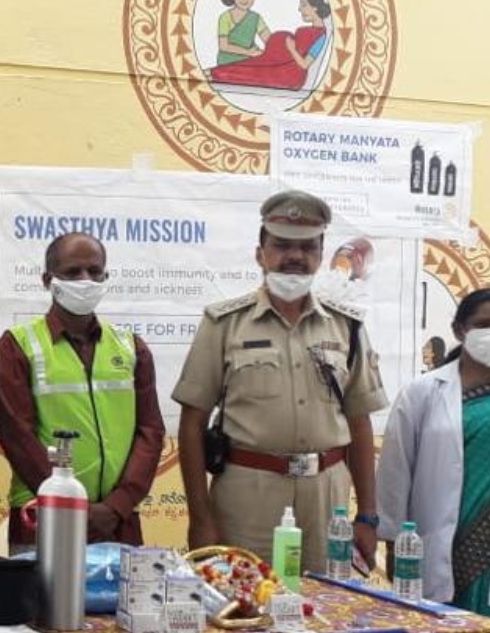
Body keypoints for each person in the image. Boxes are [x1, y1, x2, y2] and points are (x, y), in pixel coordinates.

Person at [174, 190, 385, 574]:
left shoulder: (346, 326)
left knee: (328, 602)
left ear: (320, 256)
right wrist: (200, 519)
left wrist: (368, 517)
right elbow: (192, 423)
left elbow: (359, 422)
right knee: (247, 600)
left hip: (327, 500)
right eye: (283, 245)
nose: (295, 256)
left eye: (307, 247)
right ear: (260, 254)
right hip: (247, 499)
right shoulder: (224, 324)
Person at [0, 231, 166, 546]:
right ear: (48, 280)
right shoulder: (17, 346)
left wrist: (117, 505)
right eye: (73, 272)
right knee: (43, 583)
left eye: (95, 271)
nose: (85, 280)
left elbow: (150, 432)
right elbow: (17, 437)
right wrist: (69, 503)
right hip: (44, 514)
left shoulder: (131, 347)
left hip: (117, 521)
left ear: (105, 277)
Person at [378, 289, 490, 607]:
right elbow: (395, 471)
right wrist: (393, 542)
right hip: (438, 544)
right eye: (484, 325)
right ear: (459, 330)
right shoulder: (422, 393)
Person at [210, 0, 331, 90]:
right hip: (280, 65)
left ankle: (212, 74)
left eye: (304, 4)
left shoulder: (320, 36)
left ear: (315, 7)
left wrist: (291, 49)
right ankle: (211, 73)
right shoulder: (305, 30)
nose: (300, 9)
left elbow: (304, 65)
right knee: (243, 68)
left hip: (290, 75)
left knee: (246, 73)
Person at [215, 0, 270, 66]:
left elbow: (269, 40)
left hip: (251, 58)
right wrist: (249, 52)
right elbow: (223, 45)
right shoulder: (225, 17)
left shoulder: (256, 18)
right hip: (228, 61)